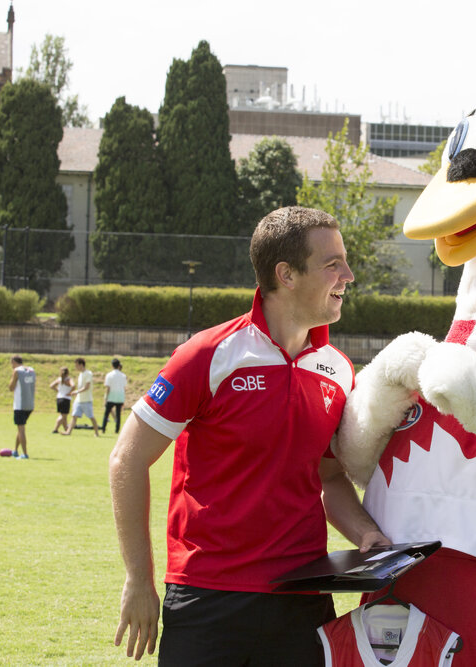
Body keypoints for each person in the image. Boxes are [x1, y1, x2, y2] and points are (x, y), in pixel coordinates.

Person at [109, 206, 390, 665]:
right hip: (208, 600)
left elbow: (329, 478)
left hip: (303, 602)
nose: (349, 275)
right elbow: (127, 460)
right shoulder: (207, 354)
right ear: (287, 274)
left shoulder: (337, 370)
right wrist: (139, 579)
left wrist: (366, 535)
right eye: (332, 264)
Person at [63, 357, 100, 436]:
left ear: (81, 365)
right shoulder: (80, 374)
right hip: (78, 400)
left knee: (91, 417)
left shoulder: (88, 373)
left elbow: (87, 387)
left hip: (86, 400)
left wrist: (76, 391)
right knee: (74, 416)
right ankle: (68, 432)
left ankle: (96, 433)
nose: (76, 367)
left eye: (77, 365)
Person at [8, 355, 36, 458]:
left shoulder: (16, 371)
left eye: (11, 363)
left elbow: (11, 388)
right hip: (29, 404)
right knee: (20, 428)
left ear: (14, 362)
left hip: (20, 405)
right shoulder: (31, 370)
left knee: (21, 430)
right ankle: (15, 451)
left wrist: (12, 378)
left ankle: (25, 454)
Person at [102, 358, 127, 434]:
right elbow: (124, 387)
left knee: (106, 413)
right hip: (120, 397)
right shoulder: (123, 375)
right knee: (118, 414)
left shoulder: (109, 375)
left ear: (112, 365)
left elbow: (108, 388)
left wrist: (106, 398)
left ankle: (103, 428)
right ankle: (117, 430)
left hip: (111, 396)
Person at [49, 367, 74, 434]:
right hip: (66, 398)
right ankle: (55, 429)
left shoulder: (59, 379)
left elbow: (51, 386)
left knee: (64, 415)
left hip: (59, 398)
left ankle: (66, 429)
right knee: (63, 416)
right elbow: (73, 386)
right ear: (68, 372)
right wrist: (70, 392)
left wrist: (58, 390)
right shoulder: (68, 379)